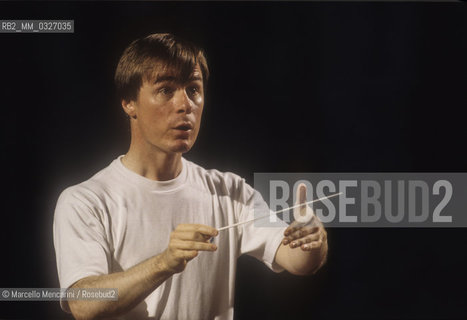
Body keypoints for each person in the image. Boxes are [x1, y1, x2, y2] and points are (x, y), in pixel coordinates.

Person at [53, 33, 328, 320]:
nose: (185, 105)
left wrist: (312, 241)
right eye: (165, 90)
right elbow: (83, 304)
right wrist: (164, 262)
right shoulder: (85, 201)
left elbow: (298, 261)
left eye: (193, 89)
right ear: (128, 102)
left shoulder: (229, 191)